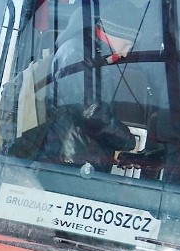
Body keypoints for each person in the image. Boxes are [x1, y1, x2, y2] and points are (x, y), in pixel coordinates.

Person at [36, 3, 139, 172]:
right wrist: (128, 141)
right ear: (114, 32)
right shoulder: (75, 52)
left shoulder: (93, 54)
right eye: (127, 44)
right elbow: (90, 113)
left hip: (79, 162)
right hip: (68, 164)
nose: (127, 52)